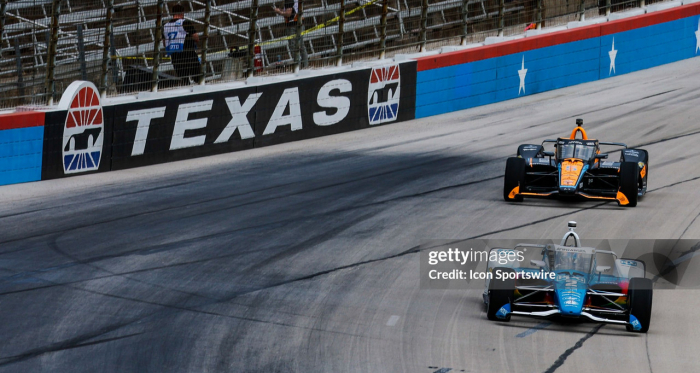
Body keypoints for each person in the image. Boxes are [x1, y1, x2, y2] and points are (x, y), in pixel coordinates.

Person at [163, 3, 201, 84]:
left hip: (175, 56)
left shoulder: (166, 26)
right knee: (198, 78)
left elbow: (164, 42)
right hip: (188, 54)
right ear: (181, 13)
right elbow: (196, 37)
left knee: (184, 80)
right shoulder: (184, 22)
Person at [273, 0, 308, 68]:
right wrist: (281, 10)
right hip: (300, 22)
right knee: (301, 45)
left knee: (293, 46)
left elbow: (288, 13)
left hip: (292, 24)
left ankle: (298, 66)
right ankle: (305, 65)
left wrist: (278, 11)